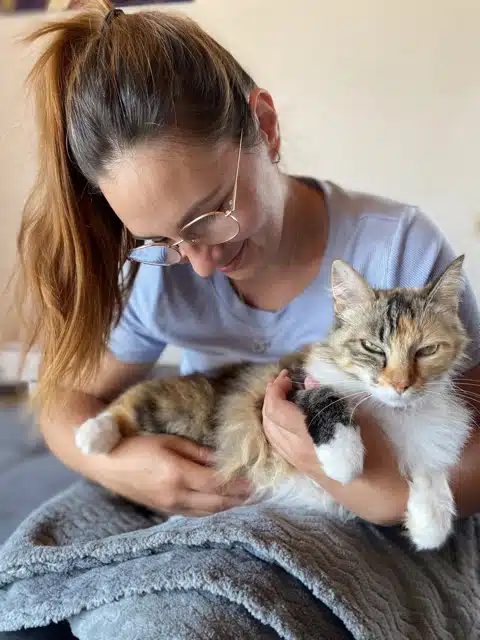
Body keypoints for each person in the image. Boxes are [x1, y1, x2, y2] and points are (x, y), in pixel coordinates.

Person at [6, 1, 480, 637]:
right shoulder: (159, 275)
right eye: (163, 240)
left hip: (371, 503)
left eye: (210, 215)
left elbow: (472, 455)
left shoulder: (398, 250)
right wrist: (118, 468)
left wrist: (365, 489)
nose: (201, 265)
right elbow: (67, 395)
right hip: (219, 473)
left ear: (267, 128)